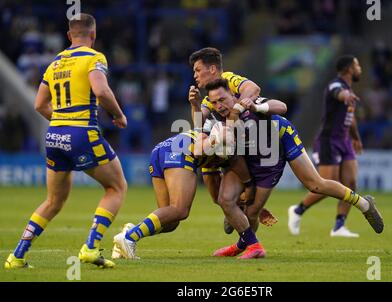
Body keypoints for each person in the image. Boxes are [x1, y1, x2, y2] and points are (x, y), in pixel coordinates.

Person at [205, 79, 384, 258]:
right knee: (234, 202)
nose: (219, 106)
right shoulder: (215, 120)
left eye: (222, 99)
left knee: (315, 185)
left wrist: (255, 107)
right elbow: (227, 156)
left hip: (281, 139)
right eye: (214, 102)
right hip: (254, 153)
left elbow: (281, 106)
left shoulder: (245, 102)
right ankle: (246, 244)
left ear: (231, 93)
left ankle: (364, 204)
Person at [4, 13, 127, 269]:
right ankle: (90, 248)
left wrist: (61, 119)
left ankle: (16, 256)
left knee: (53, 201)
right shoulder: (95, 57)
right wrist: (118, 115)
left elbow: (39, 104)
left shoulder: (55, 63)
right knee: (116, 187)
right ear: (93, 35)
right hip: (82, 133)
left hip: (54, 136)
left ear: (69, 35)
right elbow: (102, 91)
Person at [111, 127, 255, 259]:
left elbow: (217, 195)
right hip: (179, 151)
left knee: (170, 222)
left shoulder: (218, 151)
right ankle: (129, 238)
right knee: (179, 210)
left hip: (161, 149)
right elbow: (221, 191)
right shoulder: (227, 146)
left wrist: (238, 208)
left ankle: (128, 233)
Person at [188, 47, 277, 232]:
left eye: (197, 70)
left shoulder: (229, 79)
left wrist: (235, 113)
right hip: (217, 140)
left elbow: (253, 88)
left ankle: (247, 210)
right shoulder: (208, 99)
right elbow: (199, 122)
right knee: (215, 197)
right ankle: (242, 207)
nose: (195, 75)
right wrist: (195, 105)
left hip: (243, 141)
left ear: (212, 69)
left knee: (227, 195)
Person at [288, 55, 364, 238]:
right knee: (325, 185)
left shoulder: (349, 89)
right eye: (357, 65)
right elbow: (339, 93)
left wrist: (356, 138)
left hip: (344, 140)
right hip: (328, 141)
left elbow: (350, 118)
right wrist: (346, 96)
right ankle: (298, 210)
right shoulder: (336, 85)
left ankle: (339, 226)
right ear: (348, 69)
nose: (360, 68)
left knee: (351, 183)